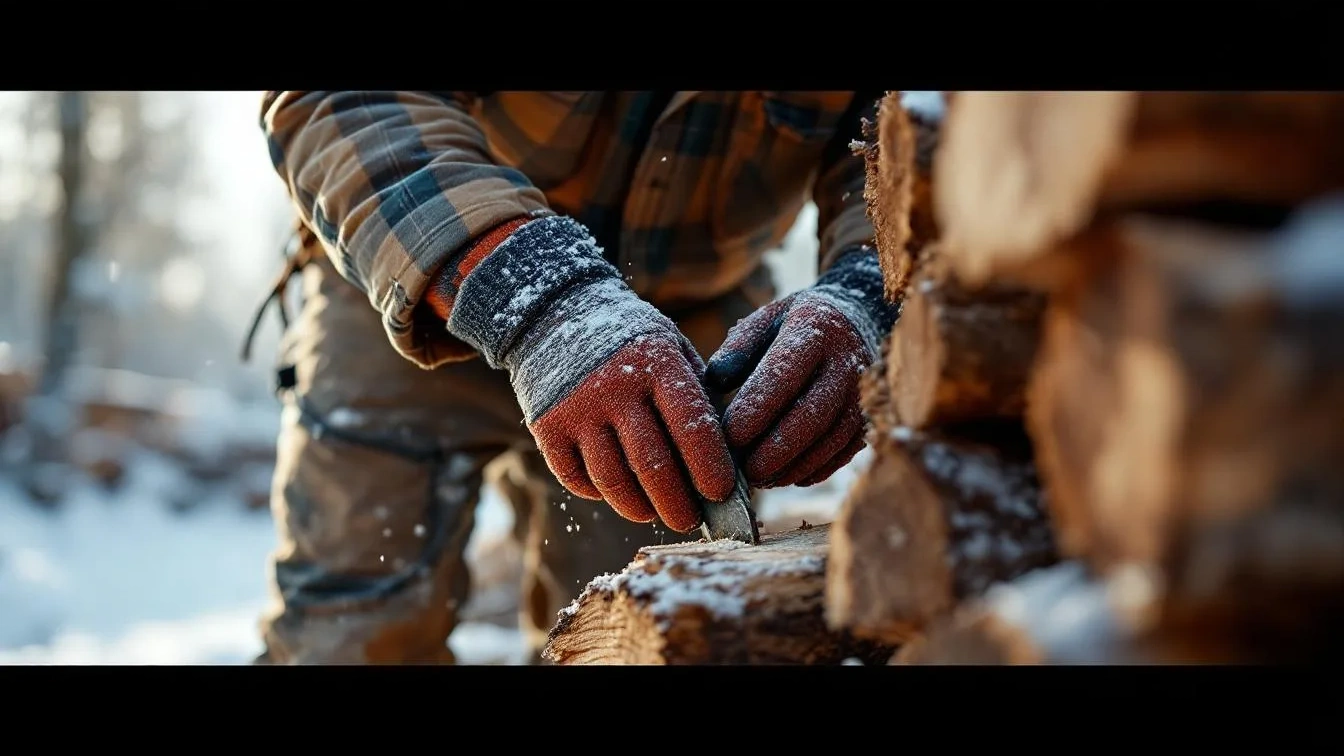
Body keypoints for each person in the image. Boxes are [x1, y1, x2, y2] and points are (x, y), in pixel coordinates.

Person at [251, 91, 898, 664]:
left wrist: (870, 288)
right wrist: (533, 293)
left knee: (643, 632)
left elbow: (900, 131)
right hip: (417, 273)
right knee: (346, 632)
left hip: (686, 327)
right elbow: (342, 100)